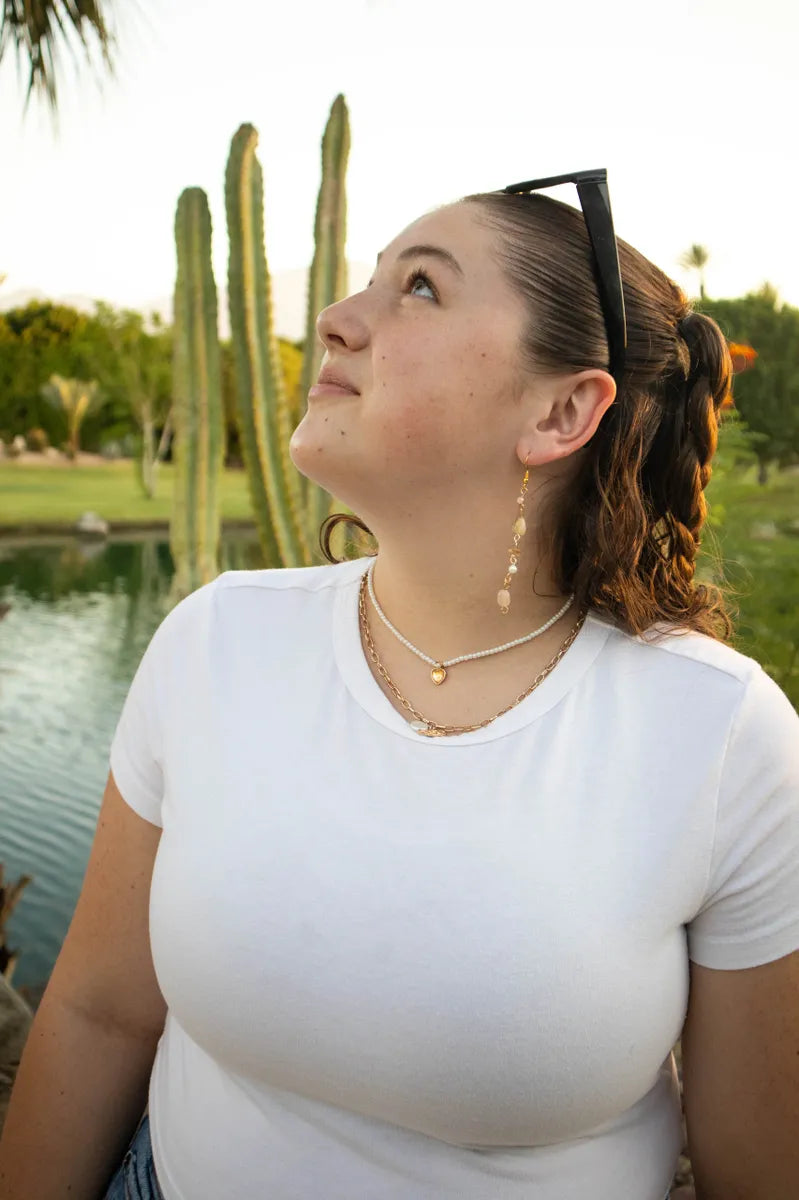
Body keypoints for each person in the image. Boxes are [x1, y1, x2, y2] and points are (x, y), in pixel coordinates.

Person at [1, 177, 798, 1200]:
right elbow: (98, 1013)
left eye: (418, 288)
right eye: (368, 280)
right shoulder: (215, 639)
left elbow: (756, 1169)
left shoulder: (725, 736)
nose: (335, 320)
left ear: (561, 409)